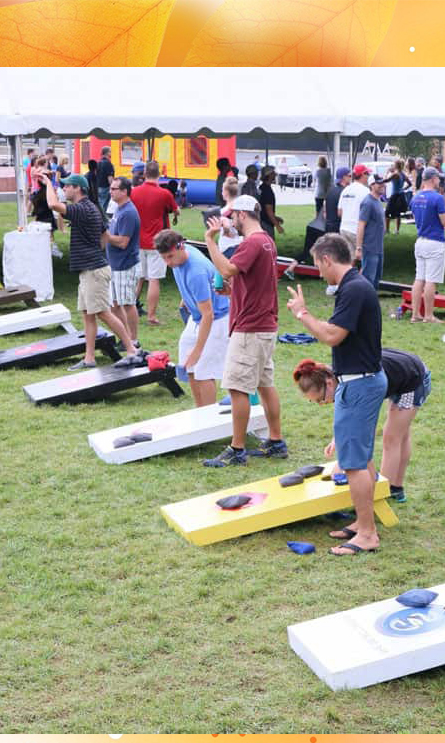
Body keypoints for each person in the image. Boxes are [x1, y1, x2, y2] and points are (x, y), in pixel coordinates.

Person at [285, 233, 387, 555]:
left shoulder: (354, 289)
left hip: (360, 384)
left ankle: (368, 534)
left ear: (327, 259)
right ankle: (362, 521)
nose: (319, 272)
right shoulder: (353, 286)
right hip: (359, 381)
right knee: (363, 457)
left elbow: (332, 336)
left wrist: (302, 314)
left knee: (354, 463)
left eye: (318, 265)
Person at [201, 195, 287, 466]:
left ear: (242, 214)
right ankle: (275, 441)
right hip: (264, 323)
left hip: (251, 328)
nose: (231, 221)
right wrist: (230, 293)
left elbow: (227, 267)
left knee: (238, 388)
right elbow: (254, 283)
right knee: (264, 384)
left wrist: (210, 241)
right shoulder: (266, 241)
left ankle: (237, 449)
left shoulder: (251, 243)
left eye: (233, 215)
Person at [294, 347, 429, 508]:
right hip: (397, 374)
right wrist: (337, 438)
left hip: (412, 379)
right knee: (400, 434)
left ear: (329, 383)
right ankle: (395, 488)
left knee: (391, 438)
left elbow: (363, 424)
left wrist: (344, 462)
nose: (322, 404)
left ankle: (383, 494)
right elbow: (346, 416)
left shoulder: (354, 383)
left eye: (320, 400)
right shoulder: (338, 379)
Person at [45, 174, 141, 369]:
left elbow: (53, 205)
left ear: (77, 189)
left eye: (67, 187)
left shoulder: (83, 208)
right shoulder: (91, 208)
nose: (64, 190)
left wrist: (48, 182)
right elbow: (104, 236)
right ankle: (89, 359)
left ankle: (132, 349)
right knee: (88, 314)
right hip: (90, 269)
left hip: (94, 271)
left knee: (104, 313)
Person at [154, 230, 231, 406]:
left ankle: (208, 418)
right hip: (196, 317)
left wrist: (198, 350)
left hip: (218, 319)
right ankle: (200, 411)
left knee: (204, 369)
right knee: (188, 365)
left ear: (180, 247)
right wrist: (186, 299)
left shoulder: (196, 271)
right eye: (164, 258)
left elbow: (208, 314)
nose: (168, 262)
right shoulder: (180, 252)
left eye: (170, 257)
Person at [131, 161, 180, 326]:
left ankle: (129, 308)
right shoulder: (164, 194)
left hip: (137, 241)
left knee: (138, 277)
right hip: (157, 243)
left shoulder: (133, 192)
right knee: (154, 279)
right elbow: (176, 210)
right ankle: (151, 316)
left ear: (144, 173)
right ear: (159, 174)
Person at [102, 176, 143, 347]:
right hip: (115, 265)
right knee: (115, 304)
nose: (110, 191)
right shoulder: (119, 209)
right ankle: (124, 336)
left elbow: (124, 242)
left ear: (124, 191)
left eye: (114, 189)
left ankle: (133, 340)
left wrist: (105, 236)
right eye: (110, 188)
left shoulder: (128, 213)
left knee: (127, 303)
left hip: (125, 265)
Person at [408, 167, 445, 323]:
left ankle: (415, 314)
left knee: (419, 278)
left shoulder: (415, 198)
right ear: (433, 179)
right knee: (431, 280)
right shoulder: (438, 198)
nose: (439, 181)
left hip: (420, 241)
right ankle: (429, 315)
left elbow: (418, 217)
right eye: (438, 178)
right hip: (435, 241)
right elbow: (444, 222)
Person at [355, 173, 386, 288]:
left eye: (383, 183)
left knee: (375, 280)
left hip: (378, 248)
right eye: (379, 183)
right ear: (371, 185)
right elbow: (361, 225)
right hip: (369, 248)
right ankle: (363, 304)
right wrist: (359, 248)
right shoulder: (367, 202)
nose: (382, 185)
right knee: (368, 281)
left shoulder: (378, 201)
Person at [337, 164, 370, 253]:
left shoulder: (346, 190)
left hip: (344, 228)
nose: (368, 177)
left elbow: (340, 212)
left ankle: (350, 267)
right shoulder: (366, 191)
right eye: (367, 174)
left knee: (349, 258)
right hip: (357, 230)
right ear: (363, 175)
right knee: (366, 257)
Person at [217, 176, 243, 258]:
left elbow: (226, 230)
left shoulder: (224, 211)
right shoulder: (242, 206)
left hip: (227, 247)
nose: (221, 193)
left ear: (226, 192)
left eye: (222, 190)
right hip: (241, 244)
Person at [257, 165, 284, 240]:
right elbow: (269, 211)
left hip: (261, 221)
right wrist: (278, 226)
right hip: (266, 224)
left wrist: (276, 218)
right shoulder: (267, 191)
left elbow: (263, 208)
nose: (275, 175)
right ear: (269, 175)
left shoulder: (262, 187)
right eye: (273, 173)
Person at [384, 160, 409, 234]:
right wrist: (403, 189)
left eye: (393, 164)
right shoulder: (402, 174)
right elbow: (410, 183)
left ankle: (387, 230)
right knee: (398, 213)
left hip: (394, 195)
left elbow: (386, 180)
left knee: (387, 212)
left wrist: (387, 172)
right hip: (401, 195)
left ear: (396, 165)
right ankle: (397, 230)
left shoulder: (395, 174)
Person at [323, 166, 350, 233]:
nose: (351, 178)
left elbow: (324, 211)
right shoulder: (345, 193)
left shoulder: (330, 190)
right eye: (349, 176)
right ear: (344, 177)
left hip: (328, 226)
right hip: (339, 227)